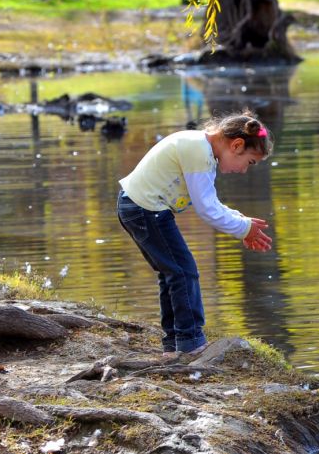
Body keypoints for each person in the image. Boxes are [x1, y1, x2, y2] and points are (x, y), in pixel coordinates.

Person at [117, 109, 273, 357]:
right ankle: (190, 343)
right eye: (249, 162)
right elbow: (206, 209)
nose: (244, 170)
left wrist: (241, 220)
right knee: (183, 271)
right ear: (237, 145)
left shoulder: (202, 150)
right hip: (145, 209)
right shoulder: (199, 152)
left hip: (139, 207)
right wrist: (244, 229)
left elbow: (211, 202)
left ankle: (175, 342)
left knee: (172, 273)